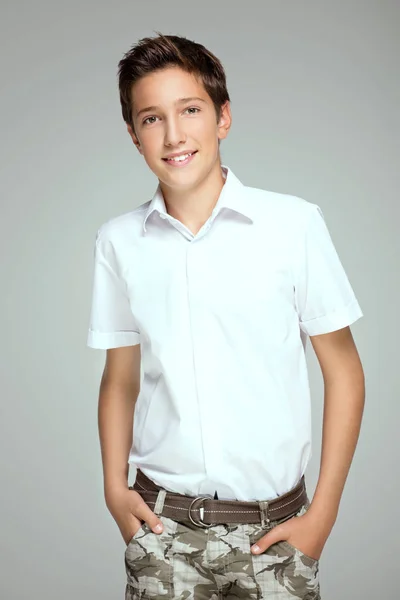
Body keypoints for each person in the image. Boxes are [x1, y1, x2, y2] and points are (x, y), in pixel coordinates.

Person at [86, 32, 365, 600]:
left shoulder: (293, 226)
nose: (174, 134)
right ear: (133, 135)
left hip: (276, 536)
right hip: (163, 531)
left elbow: (344, 372)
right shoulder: (118, 242)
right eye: (151, 118)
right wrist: (115, 493)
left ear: (223, 117)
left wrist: (324, 515)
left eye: (189, 110)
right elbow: (120, 379)